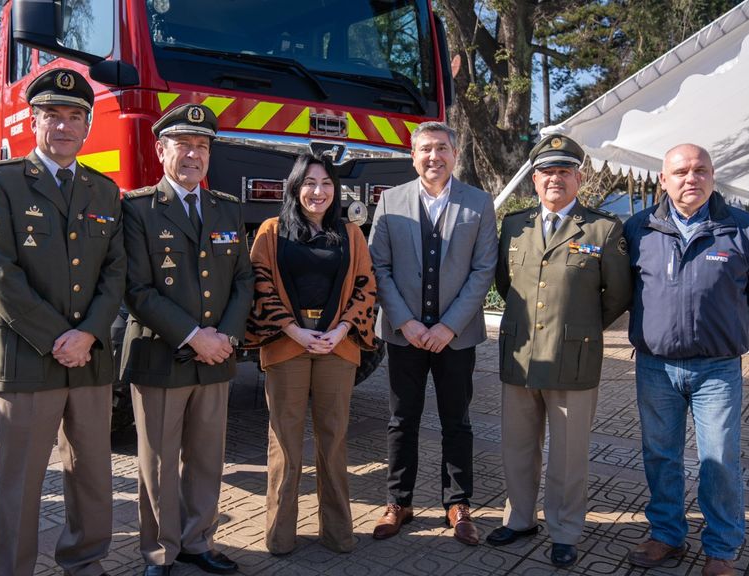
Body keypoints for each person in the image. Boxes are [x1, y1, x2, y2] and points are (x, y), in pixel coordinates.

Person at [0, 68, 126, 576]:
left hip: (89, 358)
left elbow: (115, 271)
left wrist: (88, 334)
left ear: (87, 127)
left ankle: (84, 561)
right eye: (52, 116)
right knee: (21, 481)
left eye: (74, 117)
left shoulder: (105, 191)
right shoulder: (1, 180)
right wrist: (57, 337)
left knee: (92, 474)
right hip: (25, 355)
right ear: (33, 123)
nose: (63, 127)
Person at [622, 144, 749, 576]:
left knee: (719, 459)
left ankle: (721, 550)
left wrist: (727, 323)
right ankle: (667, 535)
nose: (691, 178)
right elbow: (623, 290)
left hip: (717, 369)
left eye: (700, 170)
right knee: (659, 454)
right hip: (655, 366)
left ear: (713, 176)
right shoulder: (639, 228)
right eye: (681, 171)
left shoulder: (744, 229)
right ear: (663, 179)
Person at [121, 103, 253, 576]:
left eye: (203, 146)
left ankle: (199, 541)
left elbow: (243, 280)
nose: (194, 154)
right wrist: (197, 336)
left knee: (206, 457)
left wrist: (228, 338)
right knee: (157, 463)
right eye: (184, 145)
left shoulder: (226, 209)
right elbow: (137, 289)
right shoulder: (137, 208)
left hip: (216, 357)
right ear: (161, 150)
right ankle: (160, 552)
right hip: (162, 355)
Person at [488, 135, 631, 567]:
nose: (555, 179)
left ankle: (565, 529)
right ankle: (519, 519)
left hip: (573, 358)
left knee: (568, 454)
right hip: (521, 353)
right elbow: (503, 283)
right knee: (516, 445)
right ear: (534, 180)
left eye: (564, 171)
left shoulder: (603, 229)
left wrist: (580, 328)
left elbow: (618, 295)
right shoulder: (516, 225)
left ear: (578, 179)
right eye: (547, 172)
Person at [368, 121, 497, 545]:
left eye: (442, 148)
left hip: (455, 337)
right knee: (401, 420)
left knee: (456, 421)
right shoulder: (390, 201)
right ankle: (398, 501)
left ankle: (457, 503)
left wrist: (447, 325)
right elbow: (379, 267)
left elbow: (483, 271)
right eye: (425, 149)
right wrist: (405, 320)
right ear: (413, 156)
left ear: (454, 155)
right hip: (404, 334)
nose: (434, 157)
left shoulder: (479, 204)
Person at [245, 154, 378, 556]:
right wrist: (294, 330)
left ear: (336, 190)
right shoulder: (271, 231)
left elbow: (365, 285)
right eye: (309, 182)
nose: (317, 191)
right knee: (285, 445)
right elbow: (260, 285)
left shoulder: (351, 233)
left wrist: (339, 330)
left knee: (334, 441)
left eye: (325, 183)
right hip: (288, 345)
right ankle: (279, 535)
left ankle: (337, 533)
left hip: (338, 348)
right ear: (294, 187)